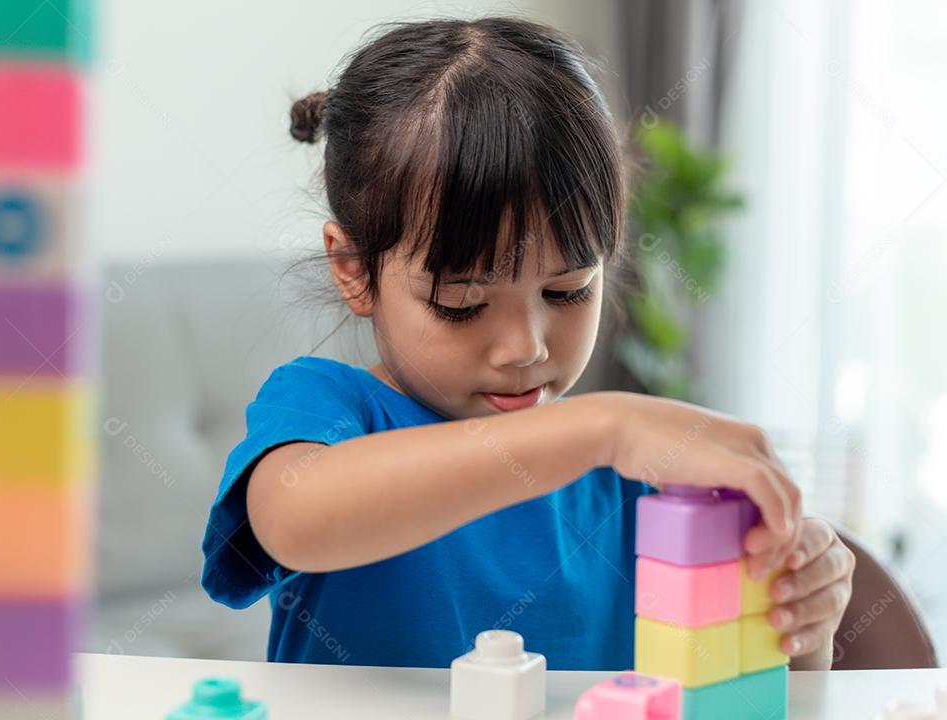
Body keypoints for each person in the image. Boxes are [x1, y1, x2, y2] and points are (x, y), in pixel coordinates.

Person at [201, 15, 854, 670]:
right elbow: (293, 520)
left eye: (567, 291)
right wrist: (605, 428)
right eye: (463, 302)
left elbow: (754, 692)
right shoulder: (330, 406)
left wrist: (799, 621)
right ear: (353, 270)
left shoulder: (631, 481)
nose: (524, 348)